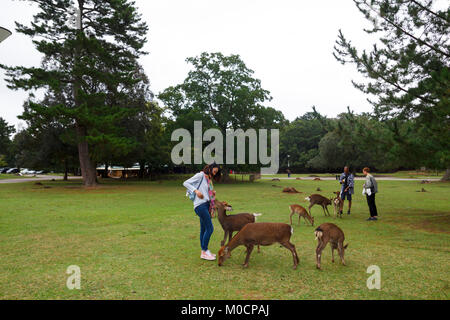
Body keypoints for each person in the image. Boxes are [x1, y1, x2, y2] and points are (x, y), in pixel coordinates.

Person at [183, 163, 220, 261]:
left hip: (206, 205)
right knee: (210, 228)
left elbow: (206, 193)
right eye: (214, 171)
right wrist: (196, 191)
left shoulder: (208, 179)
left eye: (216, 172)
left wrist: (212, 193)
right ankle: (204, 251)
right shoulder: (200, 175)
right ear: (210, 168)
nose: (215, 174)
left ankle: (204, 251)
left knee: (204, 229)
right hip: (200, 205)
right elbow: (186, 183)